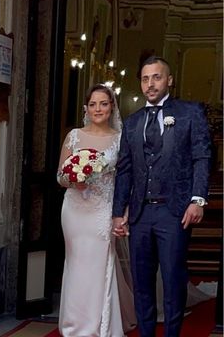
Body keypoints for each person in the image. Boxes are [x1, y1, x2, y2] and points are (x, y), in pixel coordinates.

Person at [112, 56, 211, 337]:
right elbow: (125, 170)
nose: (150, 83)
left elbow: (202, 157)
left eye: (156, 77)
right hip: (141, 214)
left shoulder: (190, 113)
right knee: (142, 285)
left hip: (175, 212)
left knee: (173, 281)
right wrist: (119, 212)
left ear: (169, 80)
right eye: (145, 78)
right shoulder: (132, 123)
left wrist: (197, 199)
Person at [57, 83, 135, 336]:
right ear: (86, 108)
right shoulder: (74, 136)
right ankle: (74, 325)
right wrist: (74, 179)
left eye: (103, 103)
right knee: (76, 263)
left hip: (103, 209)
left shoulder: (120, 138)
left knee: (99, 263)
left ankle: (99, 325)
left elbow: (126, 178)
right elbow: (60, 176)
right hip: (74, 210)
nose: (98, 109)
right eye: (93, 104)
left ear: (111, 106)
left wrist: (122, 213)